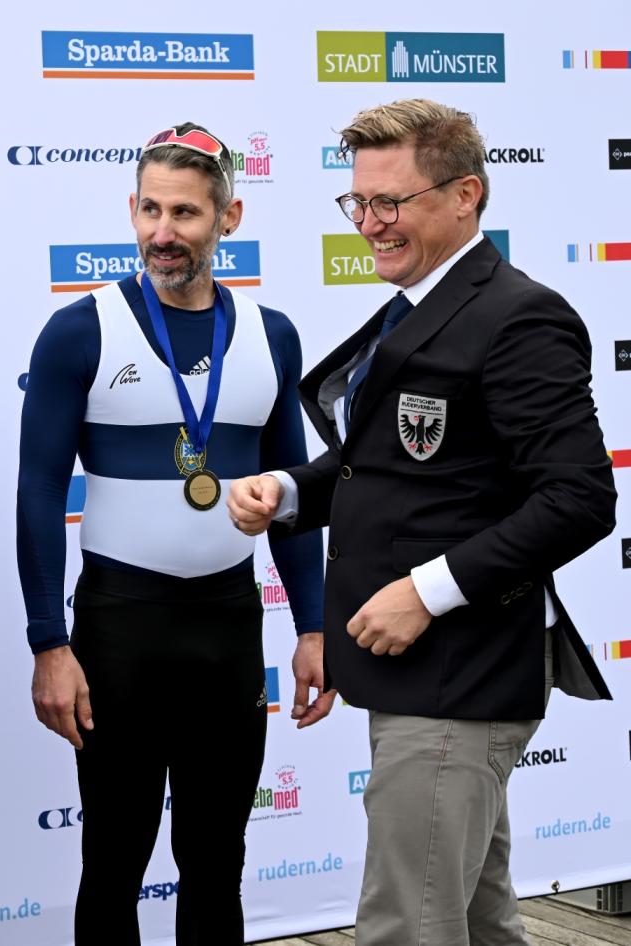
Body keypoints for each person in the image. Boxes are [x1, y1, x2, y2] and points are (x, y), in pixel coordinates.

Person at [228, 99, 615, 945]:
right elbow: (386, 467)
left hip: (459, 673)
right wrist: (286, 492)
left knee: (407, 925)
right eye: (358, 202)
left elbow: (580, 498)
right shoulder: (417, 303)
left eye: (389, 202)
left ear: (465, 195)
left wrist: (425, 592)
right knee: (474, 917)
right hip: (421, 676)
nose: (369, 223)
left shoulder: (519, 316)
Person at [16, 123, 325, 946]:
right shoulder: (81, 329)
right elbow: (38, 493)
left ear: (229, 217)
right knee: (115, 858)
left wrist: (314, 626)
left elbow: (294, 494)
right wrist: (49, 643)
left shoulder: (271, 333)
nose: (163, 232)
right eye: (150, 209)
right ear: (132, 210)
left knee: (217, 858)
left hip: (227, 626)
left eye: (185, 212)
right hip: (120, 627)